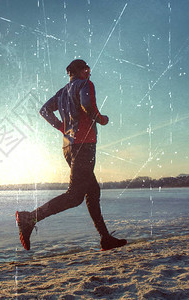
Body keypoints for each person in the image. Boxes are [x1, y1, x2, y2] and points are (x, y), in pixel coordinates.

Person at [15, 59, 127, 251]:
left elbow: (44, 110)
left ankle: (105, 238)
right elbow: (87, 105)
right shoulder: (85, 84)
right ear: (81, 71)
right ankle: (29, 218)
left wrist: (63, 128)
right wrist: (101, 120)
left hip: (68, 147)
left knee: (92, 191)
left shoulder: (62, 92)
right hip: (84, 145)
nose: (89, 73)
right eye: (87, 70)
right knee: (75, 196)